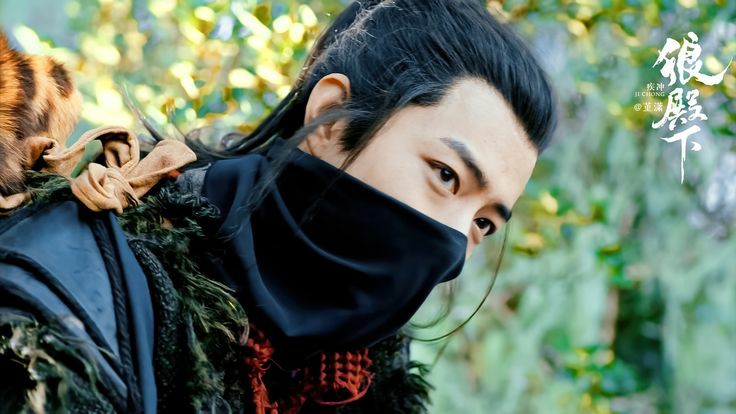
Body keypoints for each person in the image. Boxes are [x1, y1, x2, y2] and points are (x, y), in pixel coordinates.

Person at [0, 0, 557, 412]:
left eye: (483, 223)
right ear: (333, 118)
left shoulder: (364, 379)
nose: (453, 248)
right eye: (446, 175)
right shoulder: (79, 285)